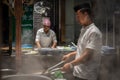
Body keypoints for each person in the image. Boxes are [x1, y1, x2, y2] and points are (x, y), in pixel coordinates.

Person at [61, 3, 102, 80]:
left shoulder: (94, 32)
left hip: (87, 75)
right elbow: (83, 49)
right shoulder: (84, 29)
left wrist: (70, 64)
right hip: (78, 73)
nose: (77, 19)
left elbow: (87, 56)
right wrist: (70, 55)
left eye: (78, 16)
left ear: (86, 14)